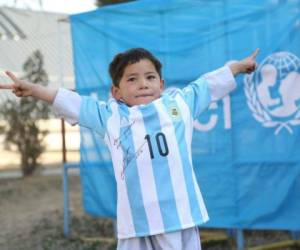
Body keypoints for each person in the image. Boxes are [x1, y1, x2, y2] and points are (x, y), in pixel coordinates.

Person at [0, 47, 259, 250]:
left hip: (177, 218)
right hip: (136, 222)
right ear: (116, 91)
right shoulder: (110, 116)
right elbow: (72, 101)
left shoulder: (179, 105)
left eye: (150, 77)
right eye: (132, 79)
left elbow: (208, 84)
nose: (143, 83)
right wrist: (33, 89)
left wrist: (237, 67)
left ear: (161, 84)